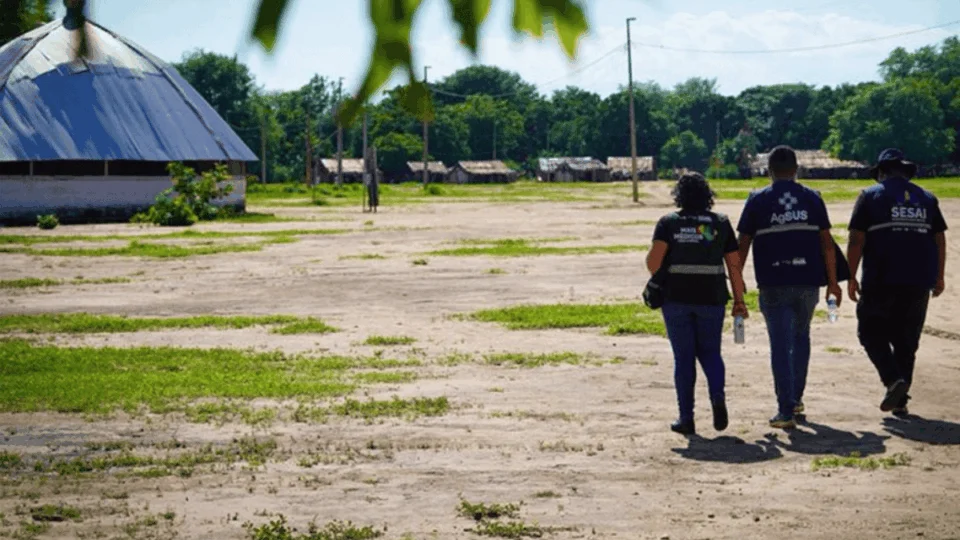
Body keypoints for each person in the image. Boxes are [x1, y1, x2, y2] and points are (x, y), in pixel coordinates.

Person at [737, 146, 842, 430]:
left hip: (773, 283)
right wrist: (833, 283)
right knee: (801, 338)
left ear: (769, 170)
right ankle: (795, 399)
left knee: (780, 344)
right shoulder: (812, 198)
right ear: (796, 169)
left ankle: (785, 409)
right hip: (808, 282)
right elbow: (827, 244)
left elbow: (742, 244)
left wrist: (737, 281)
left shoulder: (757, 200)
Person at [647, 172, 749, 435]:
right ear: (708, 195)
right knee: (711, 353)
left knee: (683, 358)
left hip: (676, 298)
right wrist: (739, 300)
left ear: (678, 196)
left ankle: (686, 418)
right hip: (711, 298)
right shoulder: (720, 223)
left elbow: (653, 263)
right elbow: (734, 266)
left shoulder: (668, 223)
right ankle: (717, 396)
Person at [847, 148, 947, 417]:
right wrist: (939, 276)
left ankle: (893, 381)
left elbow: (857, 239)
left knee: (869, 332)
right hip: (918, 280)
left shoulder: (870, 196)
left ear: (881, 172)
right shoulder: (927, 198)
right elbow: (939, 239)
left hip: (881, 279)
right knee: (906, 341)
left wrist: (851, 276)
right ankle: (900, 400)